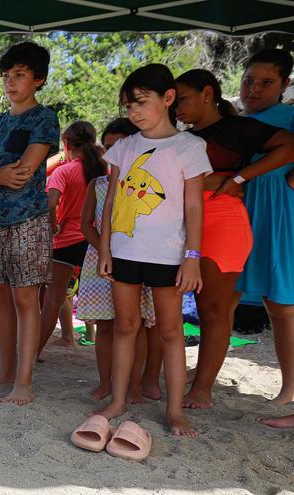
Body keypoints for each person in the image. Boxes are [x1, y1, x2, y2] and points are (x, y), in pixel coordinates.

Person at [93, 63, 212, 438]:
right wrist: (106, 249)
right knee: (125, 326)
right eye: (129, 105)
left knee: (171, 332)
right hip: (125, 251)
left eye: (142, 102)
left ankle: (175, 411)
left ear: (168, 98)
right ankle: (117, 400)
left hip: (169, 256)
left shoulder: (189, 147)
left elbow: (194, 207)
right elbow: (111, 202)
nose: (135, 112)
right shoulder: (124, 148)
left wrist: (192, 258)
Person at [174, 68, 294, 410]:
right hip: (181, 225)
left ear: (207, 93)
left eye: (182, 98)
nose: (176, 106)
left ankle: (202, 390)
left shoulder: (236, 127)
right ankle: (177, 380)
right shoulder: (180, 136)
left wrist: (241, 177)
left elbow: (289, 147)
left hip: (222, 223)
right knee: (189, 309)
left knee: (212, 309)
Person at [0, 42, 60, 405]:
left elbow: (23, 173)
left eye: (20, 75)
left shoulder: (44, 118)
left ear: (38, 79)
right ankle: (6, 370)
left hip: (28, 218)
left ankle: (24, 380)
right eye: (7, 75)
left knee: (26, 299)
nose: (11, 82)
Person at [226, 49, 294, 428]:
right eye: (249, 80)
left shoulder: (291, 116)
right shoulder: (236, 119)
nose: (253, 89)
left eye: (266, 82)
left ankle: (288, 387)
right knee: (225, 296)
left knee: (281, 303)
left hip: (280, 211)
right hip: (243, 208)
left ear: (284, 84)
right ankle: (204, 375)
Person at [76, 155, 157, 402]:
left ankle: (134, 385)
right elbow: (86, 223)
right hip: (100, 259)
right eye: (110, 145)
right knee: (106, 325)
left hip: (137, 258)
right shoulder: (98, 184)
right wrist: (104, 249)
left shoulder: (147, 184)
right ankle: (104, 383)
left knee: (137, 324)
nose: (116, 150)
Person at [36, 121, 105, 352]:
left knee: (53, 300)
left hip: (66, 241)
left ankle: (34, 352)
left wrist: (54, 225)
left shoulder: (64, 171)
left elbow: (50, 203)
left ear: (65, 144)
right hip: (97, 240)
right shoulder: (106, 168)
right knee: (107, 303)